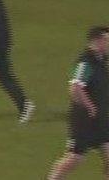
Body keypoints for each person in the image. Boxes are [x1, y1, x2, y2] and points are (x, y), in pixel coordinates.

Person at [47, 27, 109, 180]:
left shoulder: (100, 60)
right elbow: (75, 88)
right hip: (84, 120)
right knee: (75, 157)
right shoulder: (85, 62)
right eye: (108, 40)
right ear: (98, 40)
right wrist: (90, 106)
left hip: (101, 119)